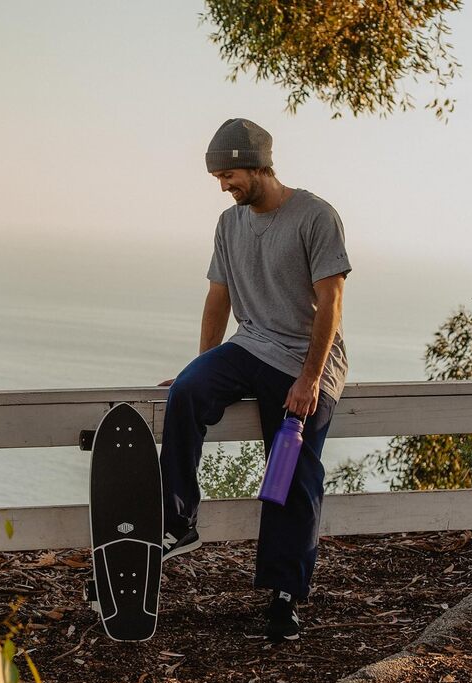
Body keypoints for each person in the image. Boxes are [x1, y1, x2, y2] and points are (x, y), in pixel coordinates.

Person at [158, 118, 351, 643]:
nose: (223, 185)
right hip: (250, 346)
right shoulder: (229, 224)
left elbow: (330, 303)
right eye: (219, 177)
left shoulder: (314, 216)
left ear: (258, 163)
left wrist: (310, 380)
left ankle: (284, 596)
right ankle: (179, 520)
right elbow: (218, 297)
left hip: (305, 363)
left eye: (229, 174)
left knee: (290, 475)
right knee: (187, 391)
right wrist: (204, 366)